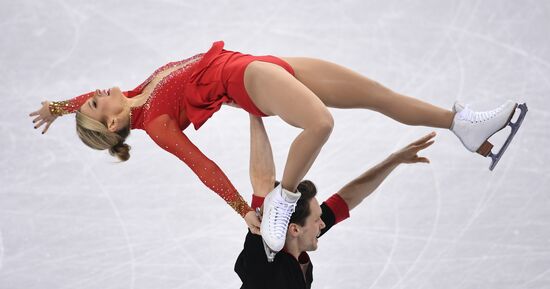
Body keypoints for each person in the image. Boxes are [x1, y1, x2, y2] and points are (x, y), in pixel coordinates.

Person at [29, 41, 524, 255]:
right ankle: (284, 198)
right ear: (114, 122)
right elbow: (200, 163)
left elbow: (79, 104)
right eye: (96, 103)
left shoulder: (136, 92)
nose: (95, 93)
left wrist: (56, 107)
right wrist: (246, 208)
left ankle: (462, 125)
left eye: (92, 96)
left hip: (261, 61)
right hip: (245, 78)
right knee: (320, 124)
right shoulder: (154, 123)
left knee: (377, 95)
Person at [235, 115, 437, 288]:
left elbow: (349, 197)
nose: (322, 224)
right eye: (317, 220)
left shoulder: (297, 236)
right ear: (294, 229)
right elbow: (262, 183)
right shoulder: (263, 260)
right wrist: (253, 111)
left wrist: (394, 160)